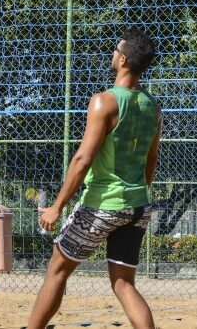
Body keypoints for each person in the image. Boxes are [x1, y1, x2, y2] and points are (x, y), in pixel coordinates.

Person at [27, 29, 161, 329]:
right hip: (138, 204)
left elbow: (82, 159)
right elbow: (151, 160)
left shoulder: (104, 102)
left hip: (103, 204)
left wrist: (56, 207)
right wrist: (137, 196)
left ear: (124, 60)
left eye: (116, 50)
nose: (112, 53)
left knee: (58, 270)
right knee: (124, 283)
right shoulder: (153, 106)